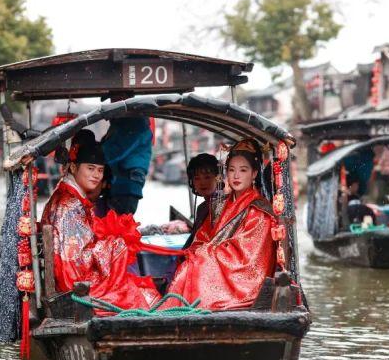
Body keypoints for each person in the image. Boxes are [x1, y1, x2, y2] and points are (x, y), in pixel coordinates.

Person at [40, 135, 160, 315]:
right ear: (73, 167)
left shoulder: (68, 195)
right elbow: (76, 262)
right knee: (146, 295)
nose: (96, 175)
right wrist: (114, 245)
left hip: (72, 277)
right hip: (74, 286)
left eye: (100, 170)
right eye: (90, 168)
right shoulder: (70, 205)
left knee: (140, 288)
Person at [164, 139, 277, 311]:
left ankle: (192, 308)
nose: (236, 176)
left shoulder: (259, 210)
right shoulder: (222, 203)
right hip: (218, 262)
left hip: (243, 275)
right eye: (232, 170)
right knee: (189, 262)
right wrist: (197, 249)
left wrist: (207, 253)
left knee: (199, 264)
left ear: (254, 174)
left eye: (243, 170)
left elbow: (247, 255)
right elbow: (205, 235)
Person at [100, 117, 153, 215]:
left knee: (119, 224)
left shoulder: (135, 123)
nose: (112, 102)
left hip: (125, 186)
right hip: (120, 185)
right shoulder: (123, 124)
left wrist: (96, 155)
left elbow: (116, 150)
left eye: (114, 100)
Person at [183, 153, 224, 249]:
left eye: (207, 177)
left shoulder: (224, 206)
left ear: (218, 178)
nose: (202, 182)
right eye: (197, 178)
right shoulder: (201, 208)